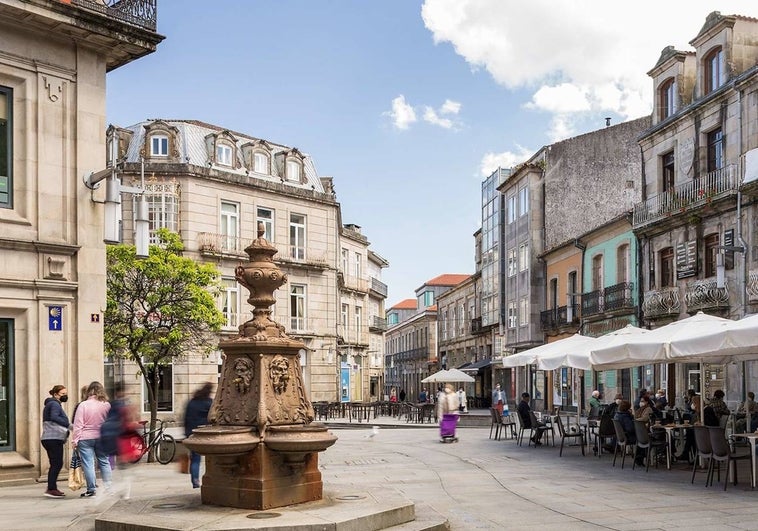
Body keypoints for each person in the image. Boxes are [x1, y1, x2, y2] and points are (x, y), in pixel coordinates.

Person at [72, 381, 112, 498]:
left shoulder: (83, 405)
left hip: (85, 438)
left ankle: (91, 489)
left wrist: (75, 440)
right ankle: (109, 488)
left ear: (89, 391)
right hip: (101, 437)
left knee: (88, 464)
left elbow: (78, 424)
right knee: (104, 462)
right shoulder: (106, 405)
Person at [41, 385, 70, 498]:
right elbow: (54, 417)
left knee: (55, 463)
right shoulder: (54, 404)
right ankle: (51, 488)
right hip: (53, 438)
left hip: (49, 438)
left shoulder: (51, 404)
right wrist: (68, 424)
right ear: (56, 394)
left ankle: (52, 487)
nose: (65, 396)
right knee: (57, 463)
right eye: (63, 394)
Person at [184, 382, 213, 488]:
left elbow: (186, 417)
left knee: (195, 458)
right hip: (206, 434)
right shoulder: (209, 403)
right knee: (212, 458)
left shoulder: (192, 402)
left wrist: (186, 433)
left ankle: (195, 481)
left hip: (193, 433)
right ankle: (211, 478)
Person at [613, 400, 645, 466]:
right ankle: (639, 458)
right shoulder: (625, 416)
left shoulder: (617, 415)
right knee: (643, 439)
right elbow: (630, 429)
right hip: (628, 437)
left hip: (620, 437)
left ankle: (639, 457)